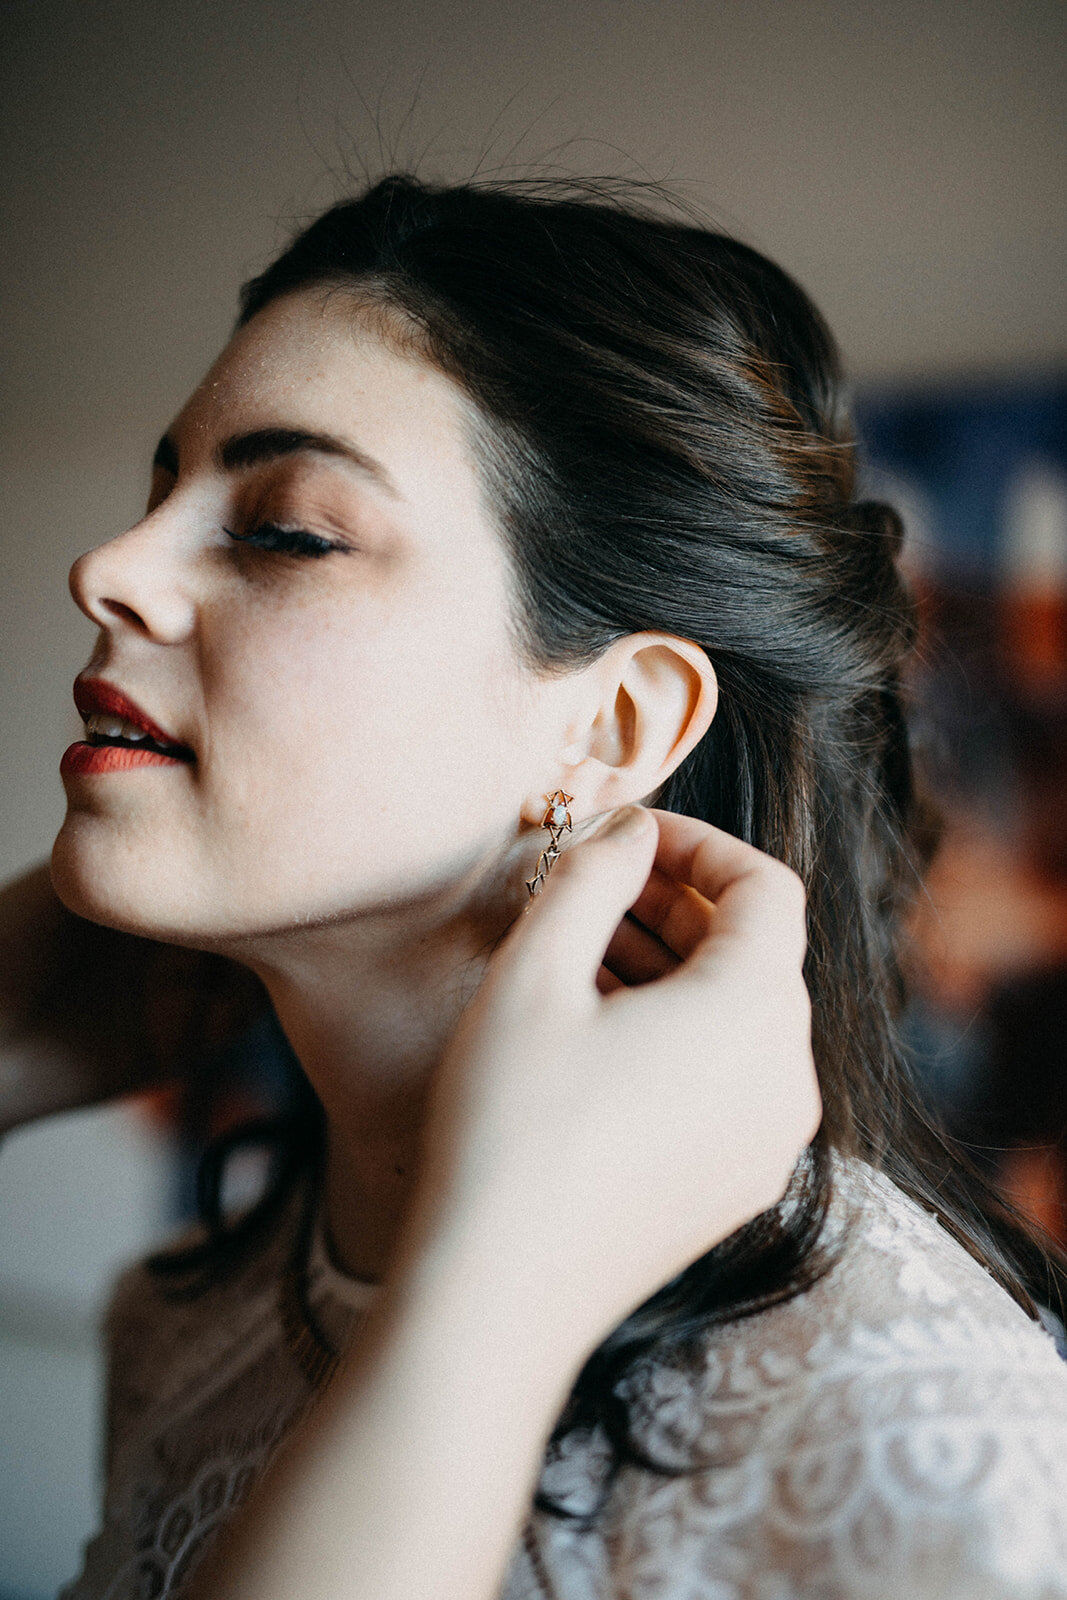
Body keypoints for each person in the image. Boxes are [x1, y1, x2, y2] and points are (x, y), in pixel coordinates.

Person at [5, 173, 1067, 1600]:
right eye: (159, 490)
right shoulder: (191, 1322)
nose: (109, 569)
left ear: (612, 730)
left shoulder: (910, 1431)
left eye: (286, 529)